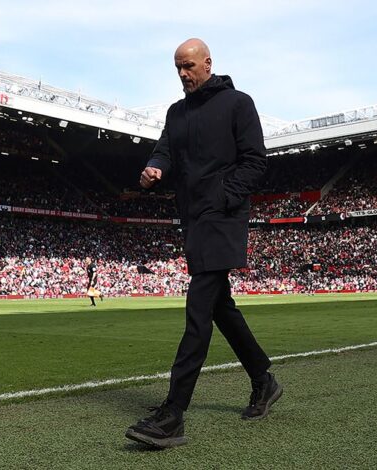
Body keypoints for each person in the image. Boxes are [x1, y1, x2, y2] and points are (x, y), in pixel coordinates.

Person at [125, 38, 282, 448]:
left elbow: (255, 161)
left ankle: (173, 414)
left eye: (189, 66)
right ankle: (263, 379)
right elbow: (165, 151)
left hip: (223, 217)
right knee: (219, 308)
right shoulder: (176, 113)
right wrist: (153, 169)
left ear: (208, 63)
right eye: (177, 67)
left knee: (198, 309)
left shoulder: (237, 104)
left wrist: (223, 197)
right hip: (193, 220)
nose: (183, 74)